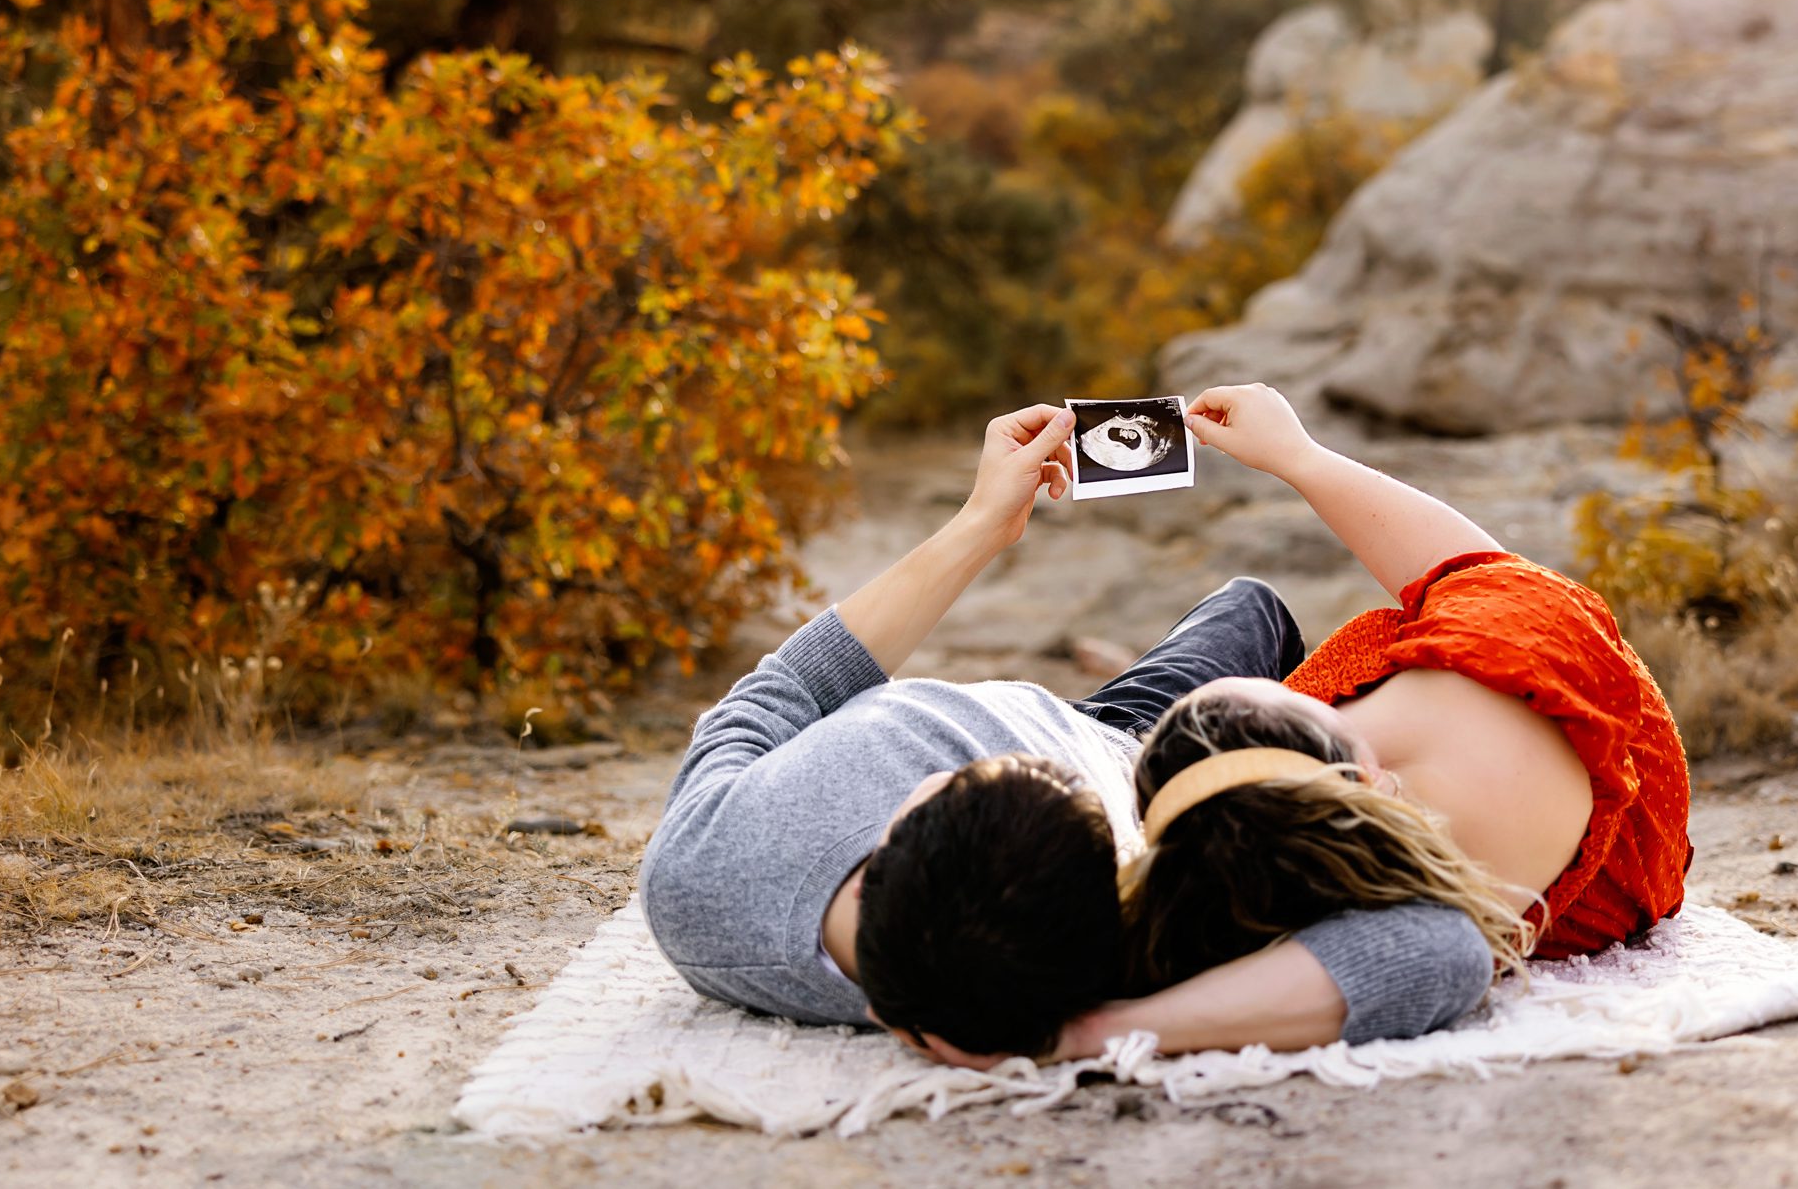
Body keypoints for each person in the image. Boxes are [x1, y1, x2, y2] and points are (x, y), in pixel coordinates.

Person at [637, 402, 1496, 1068]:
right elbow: (1443, 950)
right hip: (1151, 748)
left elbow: (787, 687)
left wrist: (983, 523)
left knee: (1246, 603)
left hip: (1073, 724)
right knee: (1263, 615)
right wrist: (1096, 1033)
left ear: (890, 847)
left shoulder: (703, 878)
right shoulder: (1106, 954)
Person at [1061, 383, 1692, 1058]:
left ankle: (1111, 736)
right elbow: (1464, 562)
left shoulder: (1303, 890)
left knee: (1243, 611)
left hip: (1220, 807)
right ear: (1359, 761)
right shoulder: (1520, 636)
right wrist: (1298, 456)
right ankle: (1133, 735)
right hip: (1550, 734)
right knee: (1252, 608)